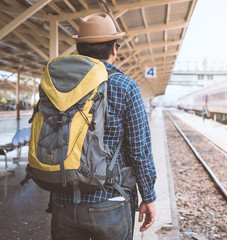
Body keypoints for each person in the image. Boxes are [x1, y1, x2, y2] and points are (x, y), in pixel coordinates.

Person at [50, 13, 157, 240]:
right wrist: (149, 196)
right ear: (114, 49)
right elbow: (140, 150)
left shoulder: (56, 84)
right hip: (110, 201)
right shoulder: (125, 86)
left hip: (63, 200)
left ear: (79, 49)